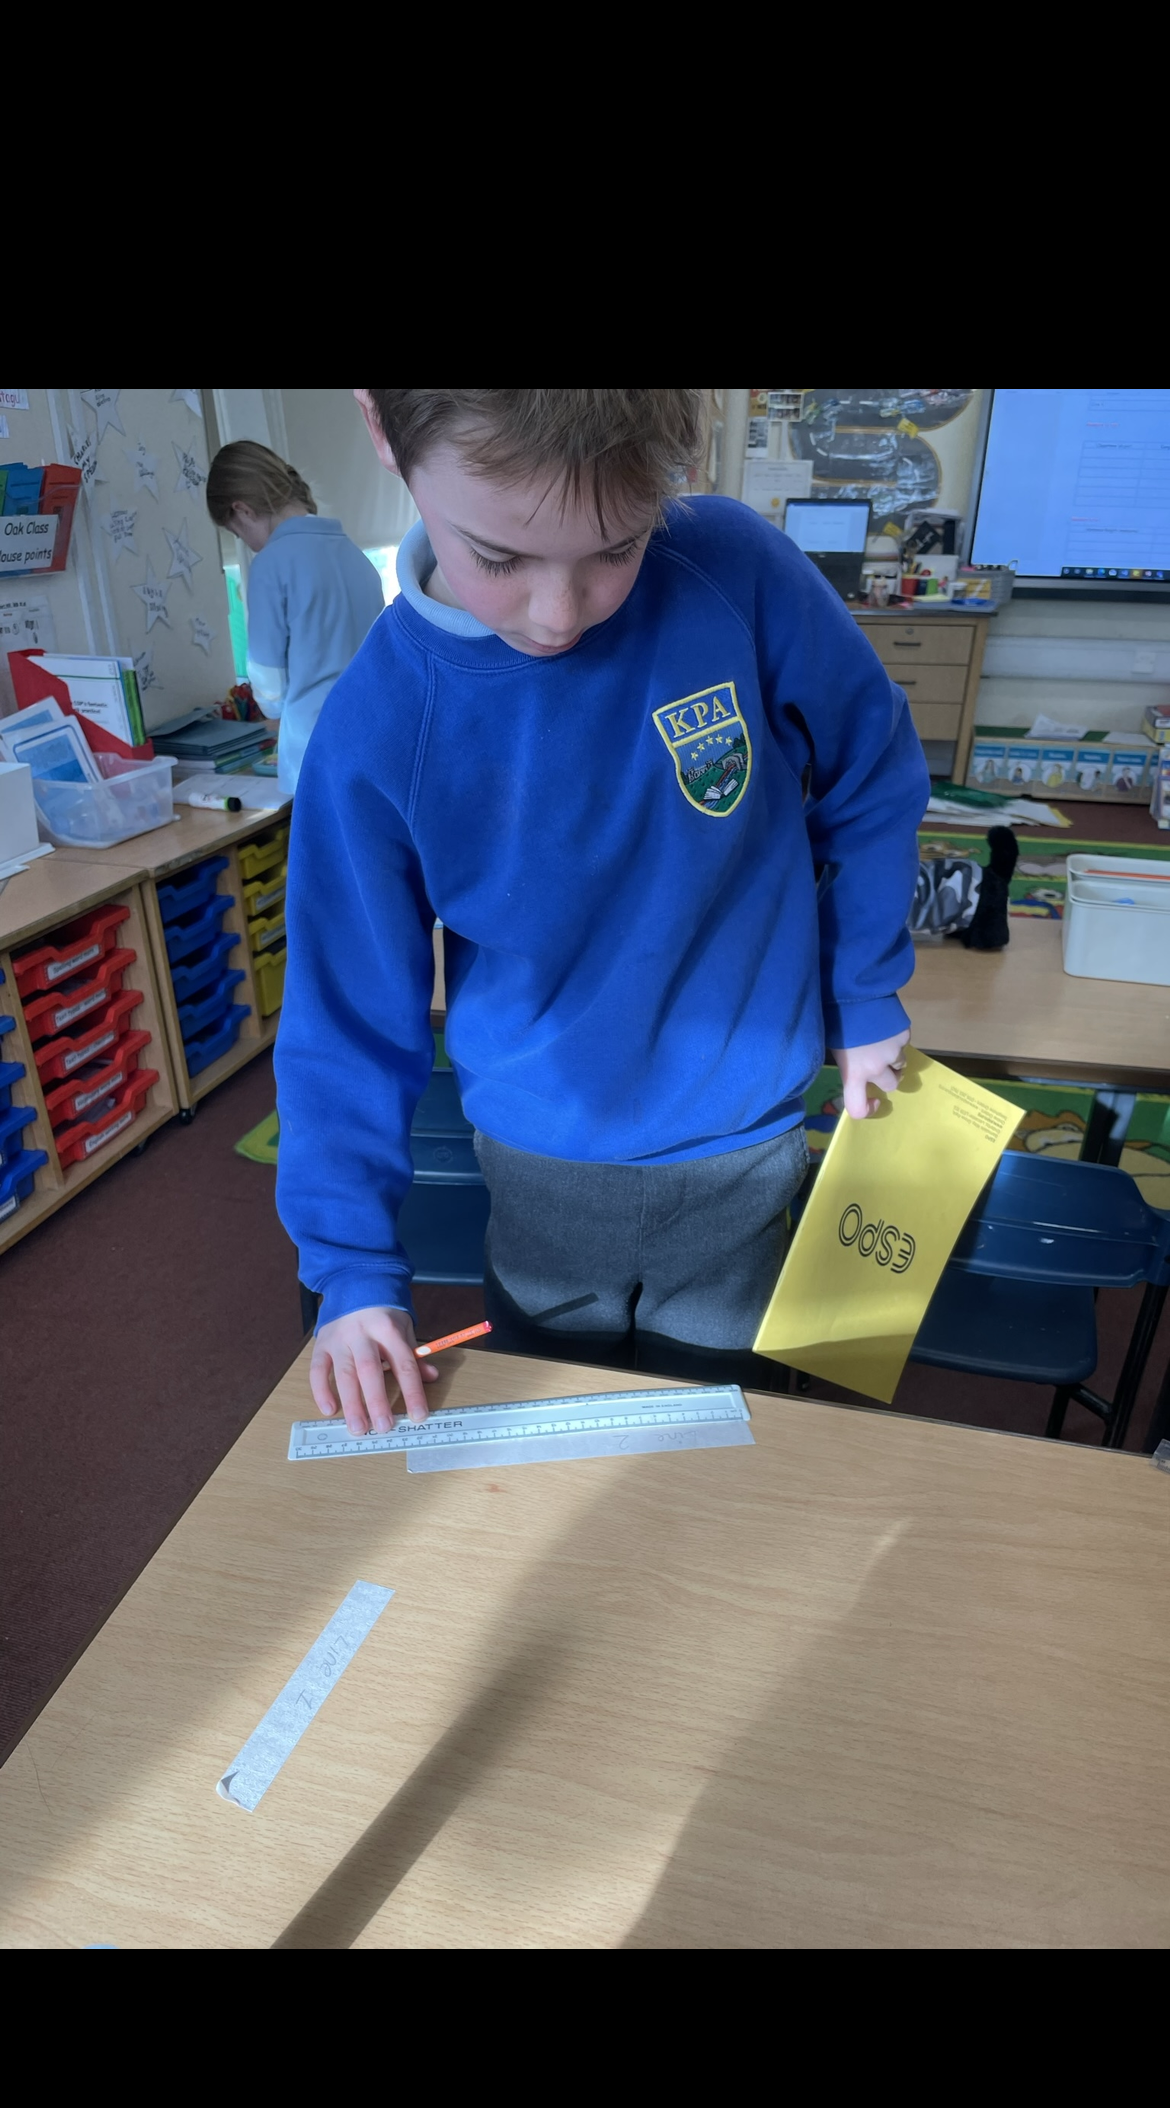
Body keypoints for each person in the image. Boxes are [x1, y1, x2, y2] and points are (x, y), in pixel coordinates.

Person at [274, 389, 930, 1436]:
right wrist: (351, 1267)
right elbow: (344, 1019)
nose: (558, 613)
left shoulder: (732, 570)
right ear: (385, 431)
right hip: (542, 1169)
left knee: (723, 1442)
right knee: (558, 1449)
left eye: (616, 549)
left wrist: (864, 990)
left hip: (744, 1147)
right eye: (499, 557)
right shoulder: (376, 728)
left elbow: (873, 765)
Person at [205, 440, 385, 793]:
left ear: (242, 510)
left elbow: (270, 688)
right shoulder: (355, 556)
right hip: (373, 737)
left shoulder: (270, 565)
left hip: (314, 750)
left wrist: (271, 706)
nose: (245, 543)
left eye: (236, 533)